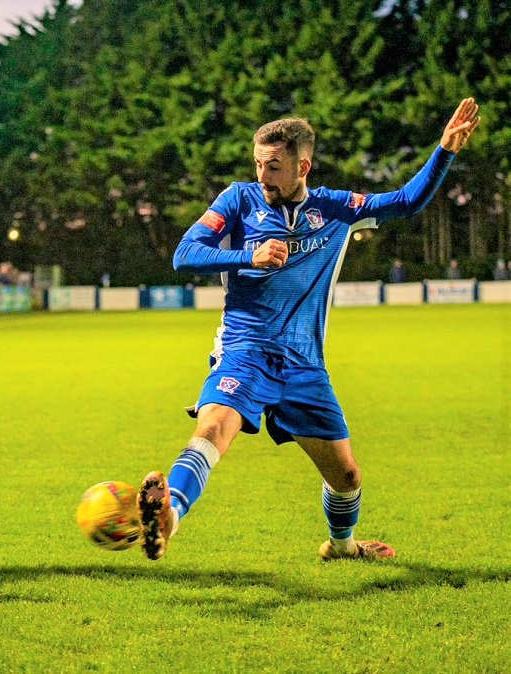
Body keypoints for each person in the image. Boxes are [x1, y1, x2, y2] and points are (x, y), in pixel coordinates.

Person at [137, 98, 481, 562]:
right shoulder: (238, 200)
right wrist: (247, 256)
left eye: (274, 167)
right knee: (214, 427)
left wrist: (444, 151)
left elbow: (406, 201)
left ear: (304, 165)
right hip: (245, 351)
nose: (263, 176)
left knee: (347, 479)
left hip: (304, 366)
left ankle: (342, 546)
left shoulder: (336, 209)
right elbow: (185, 254)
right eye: (258, 164)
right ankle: (169, 515)